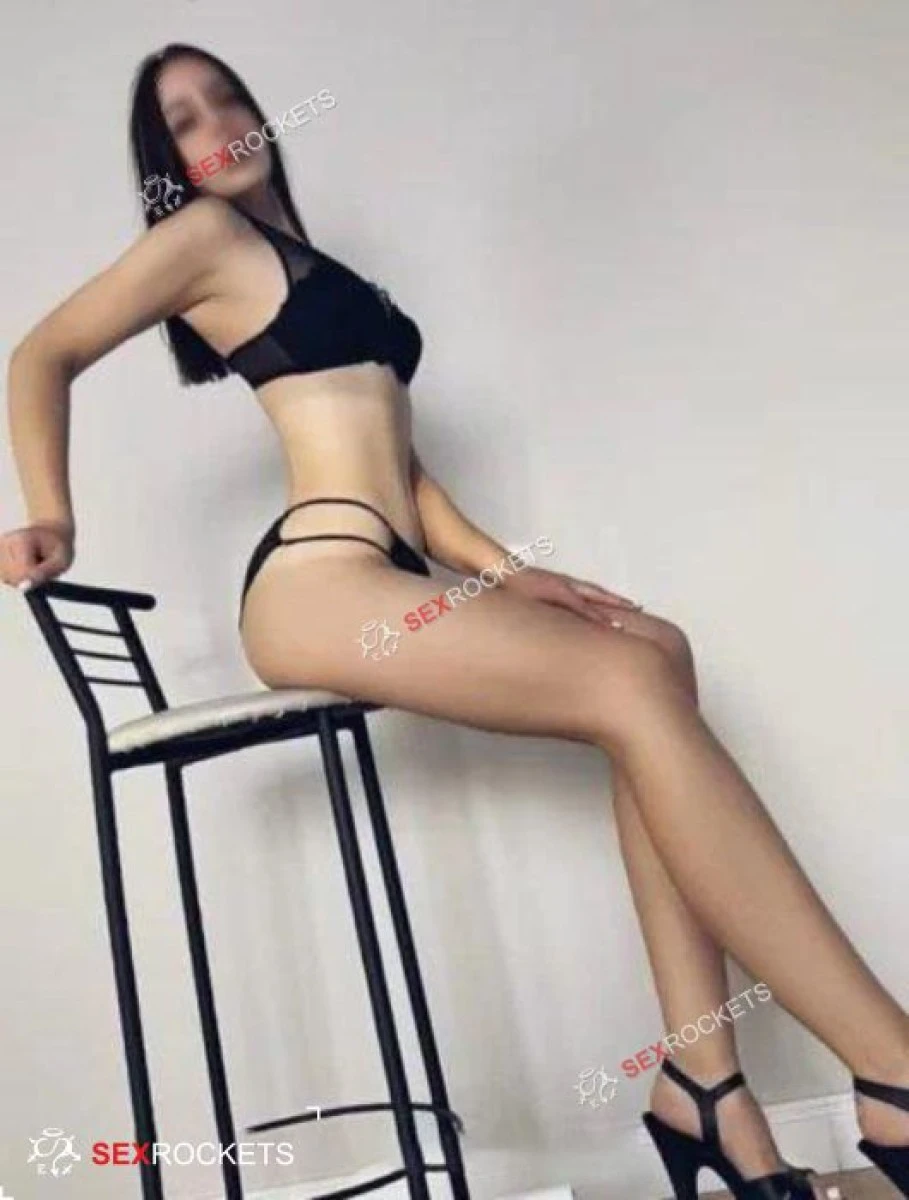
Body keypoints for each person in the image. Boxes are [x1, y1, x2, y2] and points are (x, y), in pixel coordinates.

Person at [1, 42, 907, 1200]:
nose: (218, 122)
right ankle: (892, 1069)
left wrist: (506, 572)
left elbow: (404, 466)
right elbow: (43, 353)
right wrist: (53, 514)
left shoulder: (304, 266)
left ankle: (704, 1086)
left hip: (383, 562)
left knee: (654, 652)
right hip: (316, 584)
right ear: (168, 162)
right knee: (630, 687)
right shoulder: (205, 238)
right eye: (184, 119)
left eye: (228, 98)